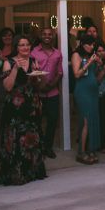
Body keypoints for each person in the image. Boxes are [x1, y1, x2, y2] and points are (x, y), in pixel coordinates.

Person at [0, 35, 47, 185]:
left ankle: (31, 172)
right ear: (16, 47)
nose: (25, 47)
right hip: (14, 108)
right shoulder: (8, 63)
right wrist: (16, 69)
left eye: (27, 44)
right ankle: (16, 174)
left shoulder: (33, 61)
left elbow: (40, 86)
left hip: (31, 107)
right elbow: (8, 87)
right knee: (16, 139)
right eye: (21, 45)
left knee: (31, 139)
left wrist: (39, 76)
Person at [31, 27, 63, 158]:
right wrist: (40, 86)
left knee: (52, 120)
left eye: (50, 34)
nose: (47, 36)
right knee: (36, 121)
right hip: (38, 92)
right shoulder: (33, 53)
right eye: (44, 34)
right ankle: (38, 146)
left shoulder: (57, 53)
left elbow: (60, 72)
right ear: (40, 36)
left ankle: (47, 147)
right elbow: (31, 72)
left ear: (53, 36)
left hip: (53, 92)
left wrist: (52, 85)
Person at [71, 34, 101, 165]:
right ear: (83, 45)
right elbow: (77, 74)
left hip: (93, 92)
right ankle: (81, 152)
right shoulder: (76, 55)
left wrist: (101, 65)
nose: (92, 46)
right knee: (86, 122)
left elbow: (95, 77)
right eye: (90, 44)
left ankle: (91, 149)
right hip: (82, 92)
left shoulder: (91, 56)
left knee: (93, 120)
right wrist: (89, 63)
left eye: (93, 44)